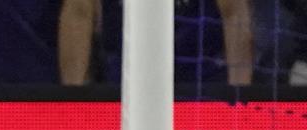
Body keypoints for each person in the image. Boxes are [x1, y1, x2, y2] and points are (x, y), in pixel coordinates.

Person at [59, 0, 254, 86]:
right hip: (125, 81)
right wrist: (74, 96)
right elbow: (79, 12)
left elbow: (234, 12)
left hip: (200, 82)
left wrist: (239, 95)